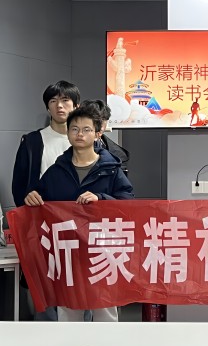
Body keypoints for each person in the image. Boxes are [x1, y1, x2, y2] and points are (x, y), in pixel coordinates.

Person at [24, 100, 134, 322]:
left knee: (105, 310)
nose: (80, 134)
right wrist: (31, 197)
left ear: (97, 134)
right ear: (68, 133)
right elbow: (40, 200)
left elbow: (127, 203)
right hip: (68, 250)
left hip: (102, 249)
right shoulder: (56, 171)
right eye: (74, 129)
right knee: (68, 310)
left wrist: (101, 199)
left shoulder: (111, 169)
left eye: (86, 129)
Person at [11, 80, 81, 321]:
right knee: (45, 281)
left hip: (80, 226)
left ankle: (83, 332)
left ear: (76, 105)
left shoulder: (87, 139)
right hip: (43, 226)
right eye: (53, 101)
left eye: (65, 100)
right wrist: (27, 197)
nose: (59, 106)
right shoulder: (32, 141)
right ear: (47, 107)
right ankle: (47, 332)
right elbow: (19, 184)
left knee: (80, 284)